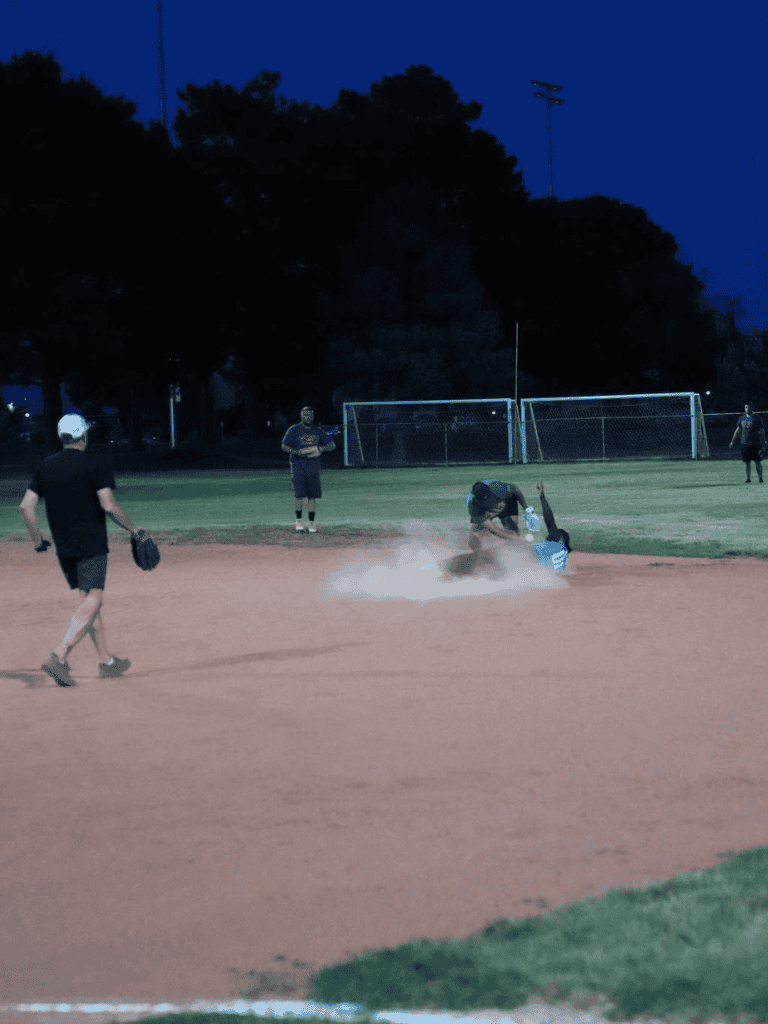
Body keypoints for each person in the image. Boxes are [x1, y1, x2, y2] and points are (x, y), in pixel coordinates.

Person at [18, 414, 145, 687]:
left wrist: (38, 539)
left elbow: (26, 507)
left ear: (61, 436)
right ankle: (59, 656)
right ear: (83, 435)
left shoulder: (45, 466)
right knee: (94, 599)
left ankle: (106, 662)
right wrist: (134, 530)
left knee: (88, 599)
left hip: (64, 545)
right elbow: (109, 506)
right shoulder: (95, 462)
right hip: (91, 541)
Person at [281, 405, 336, 531]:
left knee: (313, 495)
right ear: (301, 416)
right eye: (306, 415)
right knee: (299, 494)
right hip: (297, 466)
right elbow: (284, 446)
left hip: (313, 467)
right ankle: (299, 521)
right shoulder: (294, 430)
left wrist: (320, 448)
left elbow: (332, 445)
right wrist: (297, 452)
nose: (308, 417)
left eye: (310, 415)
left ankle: (311, 522)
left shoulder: (318, 431)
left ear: (313, 416)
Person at [462, 478, 529, 571]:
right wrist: (511, 537)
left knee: (513, 532)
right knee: (474, 539)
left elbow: (515, 489)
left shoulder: (498, 489)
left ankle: (519, 556)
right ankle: (479, 560)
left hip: (507, 505)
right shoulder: (473, 506)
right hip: (485, 512)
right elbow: (493, 529)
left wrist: (526, 508)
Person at [531, 480, 572, 573]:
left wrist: (542, 497)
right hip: (553, 577)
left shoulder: (557, 541)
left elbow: (549, 521)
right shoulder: (562, 551)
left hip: (540, 575)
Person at [729, 402, 766, 482]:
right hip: (744, 444)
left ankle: (760, 478)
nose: (747, 409)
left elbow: (762, 431)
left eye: (749, 407)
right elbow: (738, 430)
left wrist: (764, 442)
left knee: (757, 461)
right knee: (747, 462)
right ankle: (748, 478)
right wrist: (732, 441)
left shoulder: (757, 418)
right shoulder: (742, 418)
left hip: (755, 443)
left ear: (752, 408)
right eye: (746, 407)